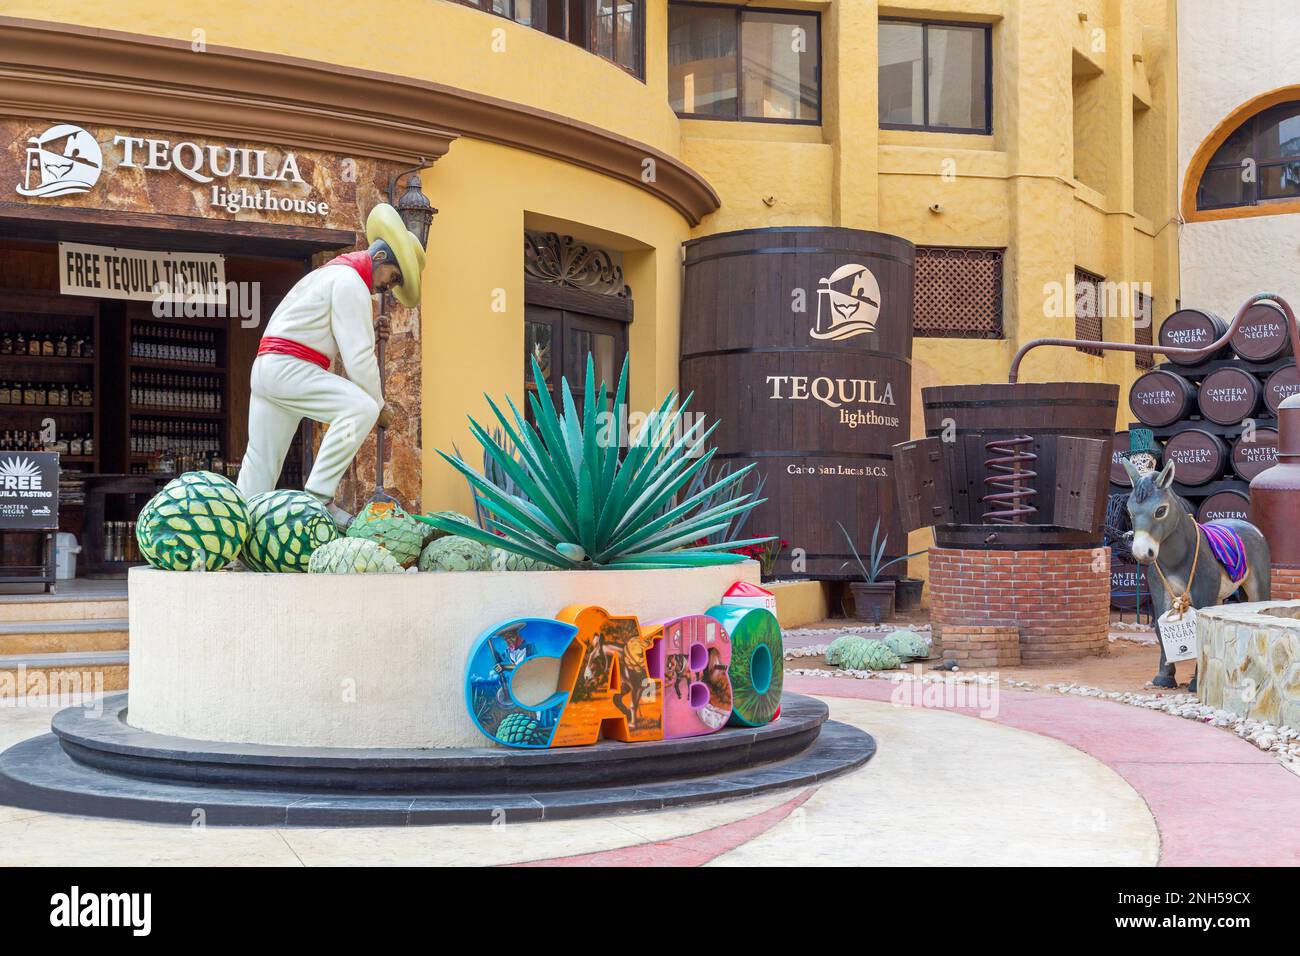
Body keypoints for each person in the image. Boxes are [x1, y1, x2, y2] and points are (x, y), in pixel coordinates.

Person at [236, 203, 424, 524]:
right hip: (292, 369)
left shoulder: (328, 275)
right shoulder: (350, 282)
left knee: (261, 461)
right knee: (360, 407)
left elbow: (324, 332)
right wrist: (379, 405)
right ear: (379, 258)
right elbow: (359, 356)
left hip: (269, 368)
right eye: (392, 278)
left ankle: (238, 531)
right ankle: (319, 498)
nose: (387, 289)